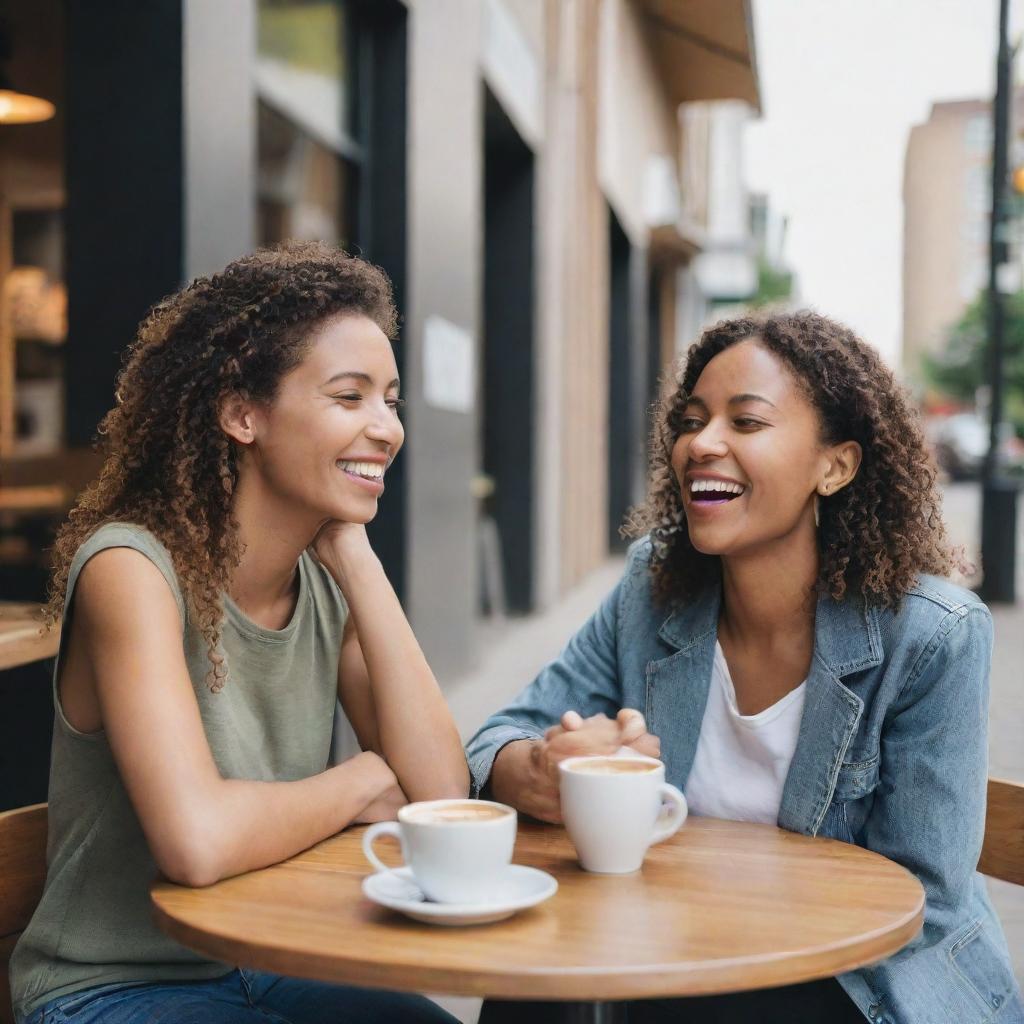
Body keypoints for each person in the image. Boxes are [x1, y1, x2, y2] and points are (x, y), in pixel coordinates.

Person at [467, 312, 1023, 1023]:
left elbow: (921, 899)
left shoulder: (932, 636)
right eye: (692, 421)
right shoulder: (653, 589)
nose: (702, 444)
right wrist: (537, 769)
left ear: (836, 466)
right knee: (528, 984)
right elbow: (495, 739)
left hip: (862, 985)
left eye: (747, 422)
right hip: (672, 959)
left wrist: (691, 904)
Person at [10, 242, 467, 1024]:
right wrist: (360, 780)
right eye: (350, 397)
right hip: (109, 985)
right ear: (242, 413)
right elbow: (197, 842)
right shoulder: (131, 569)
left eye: (390, 400)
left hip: (263, 960)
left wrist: (357, 559)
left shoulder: (327, 580)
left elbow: (441, 797)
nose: (386, 429)